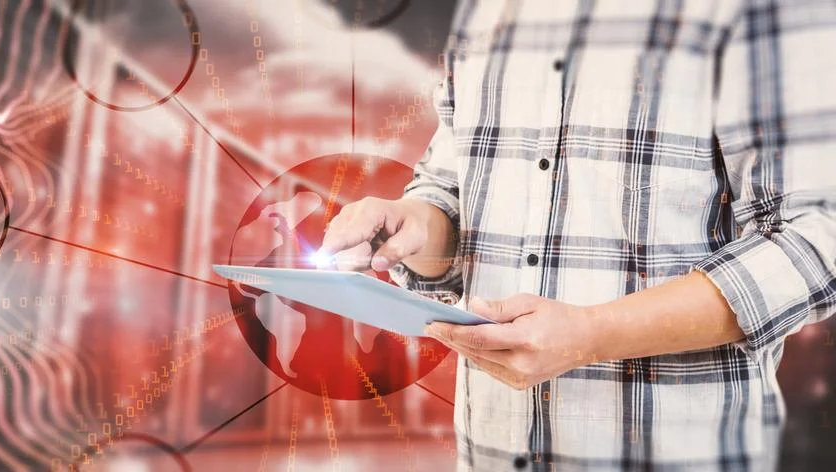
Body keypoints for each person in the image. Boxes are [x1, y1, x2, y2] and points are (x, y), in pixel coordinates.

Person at [317, 0, 836, 469]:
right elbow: (450, 191)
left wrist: (591, 335)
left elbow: (815, 238)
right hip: (492, 453)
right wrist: (418, 226)